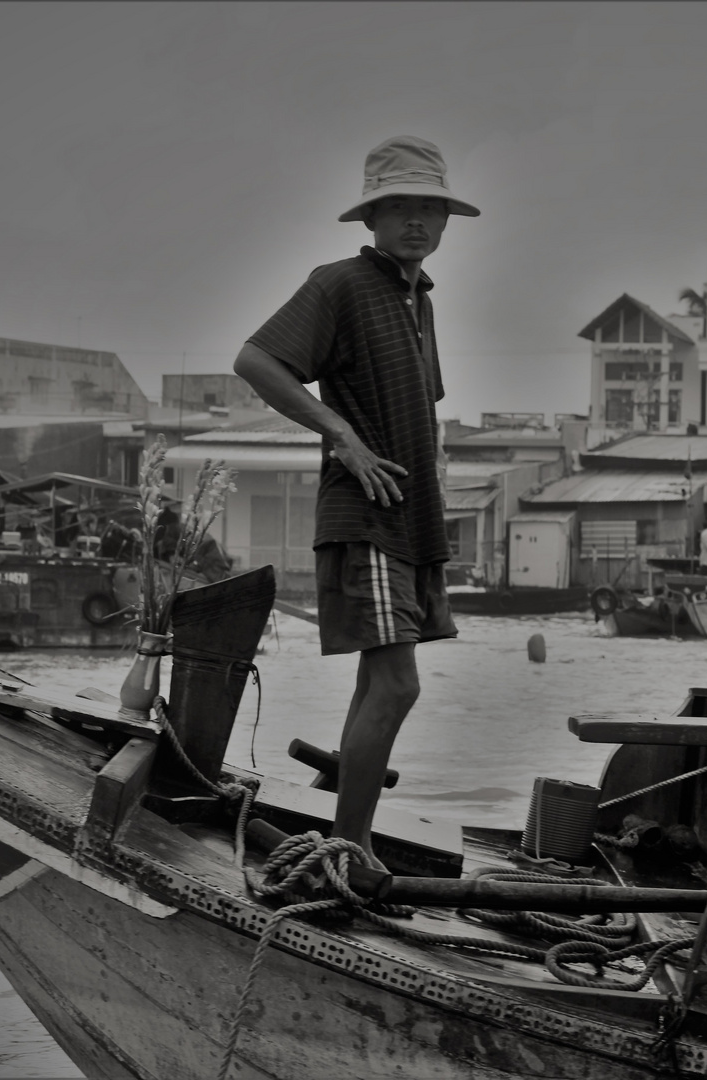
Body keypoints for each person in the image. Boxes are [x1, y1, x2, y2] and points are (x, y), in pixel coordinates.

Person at [233, 135, 478, 861]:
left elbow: (418, 411)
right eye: (398, 206)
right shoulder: (341, 282)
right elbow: (257, 359)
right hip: (365, 513)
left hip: (413, 519)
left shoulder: (419, 299)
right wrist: (340, 432)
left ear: (444, 221)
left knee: (381, 681)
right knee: (398, 685)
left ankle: (351, 836)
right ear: (371, 217)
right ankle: (349, 846)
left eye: (429, 207)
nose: (416, 220)